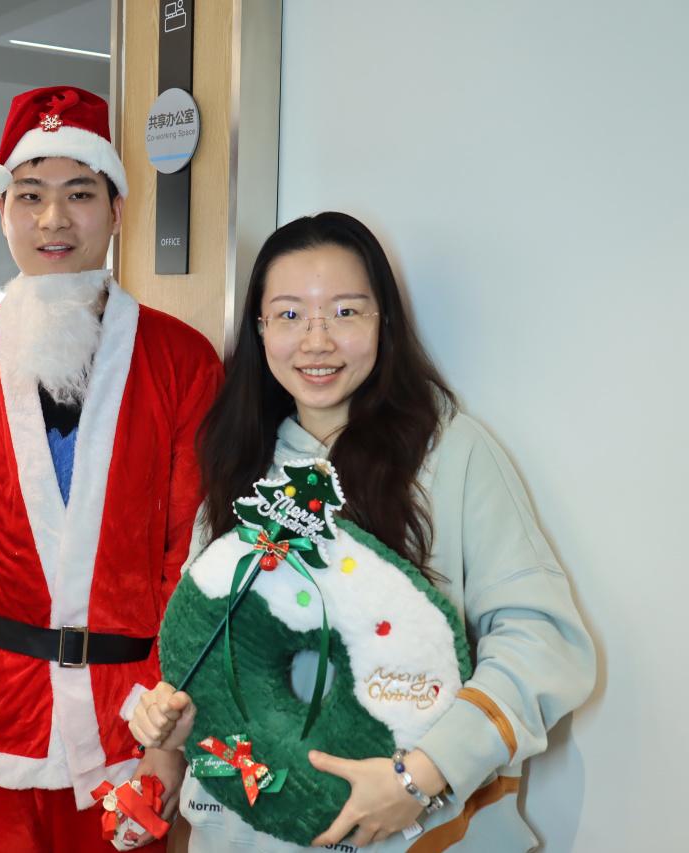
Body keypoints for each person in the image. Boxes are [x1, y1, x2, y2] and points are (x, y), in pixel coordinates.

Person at [128, 212, 595, 851]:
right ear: (260, 329)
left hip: (416, 826)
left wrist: (422, 776)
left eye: (346, 312)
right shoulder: (237, 458)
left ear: (384, 323)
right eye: (289, 315)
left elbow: (543, 639)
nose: (316, 341)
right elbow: (208, 639)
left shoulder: (448, 453)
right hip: (245, 829)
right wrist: (172, 716)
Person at [0, 86, 223, 852]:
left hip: (130, 713)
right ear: (0, 208)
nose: (53, 221)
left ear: (118, 206)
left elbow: (194, 553)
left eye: (79, 194)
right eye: (29, 196)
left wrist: (168, 723)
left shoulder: (181, 360)